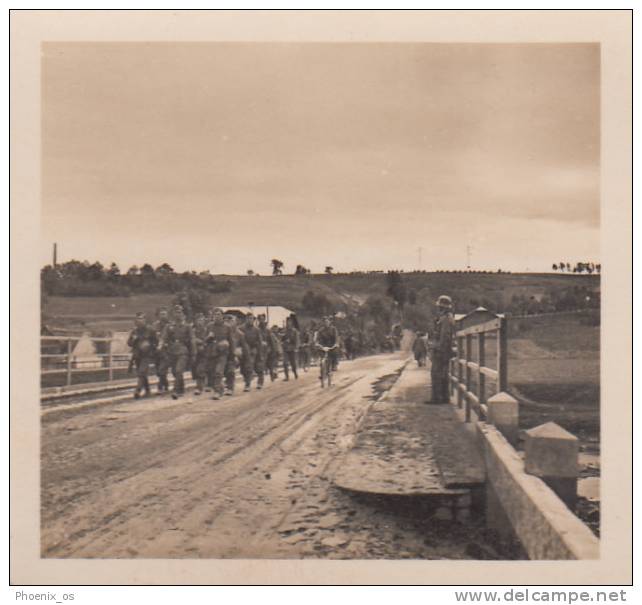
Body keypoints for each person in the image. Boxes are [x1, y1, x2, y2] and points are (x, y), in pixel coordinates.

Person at [160, 306, 194, 400]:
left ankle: (176, 391)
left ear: (182, 314)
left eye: (179, 312)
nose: (177, 314)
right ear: (173, 314)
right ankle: (181, 388)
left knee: (179, 370)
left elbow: (192, 340)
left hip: (183, 350)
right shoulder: (169, 326)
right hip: (172, 351)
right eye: (176, 312)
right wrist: (161, 344)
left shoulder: (187, 326)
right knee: (175, 372)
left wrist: (193, 353)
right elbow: (163, 337)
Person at [429, 295, 455, 404]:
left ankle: (437, 398)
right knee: (442, 374)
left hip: (441, 350)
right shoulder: (446, 318)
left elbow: (445, 336)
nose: (438, 308)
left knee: (436, 373)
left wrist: (436, 348)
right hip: (443, 350)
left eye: (440, 307)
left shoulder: (446, 319)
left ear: (443, 307)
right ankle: (444, 398)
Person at [127, 312, 158, 399]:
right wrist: (134, 339)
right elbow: (129, 343)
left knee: (142, 372)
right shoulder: (134, 331)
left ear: (145, 320)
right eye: (138, 319)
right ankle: (148, 391)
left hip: (147, 355)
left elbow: (156, 342)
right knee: (142, 374)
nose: (139, 321)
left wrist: (149, 345)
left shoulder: (151, 330)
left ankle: (138, 391)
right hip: (137, 355)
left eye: (141, 319)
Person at [205, 308, 233, 400]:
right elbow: (204, 340)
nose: (217, 316)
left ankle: (217, 392)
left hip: (223, 353)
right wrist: (209, 337)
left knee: (218, 371)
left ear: (222, 316)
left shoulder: (227, 327)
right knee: (212, 372)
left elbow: (231, 341)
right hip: (212, 352)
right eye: (215, 315)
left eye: (219, 315)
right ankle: (220, 388)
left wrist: (232, 355)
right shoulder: (209, 326)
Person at [240, 313, 265, 391]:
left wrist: (260, 353)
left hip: (254, 349)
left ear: (253, 320)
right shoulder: (241, 328)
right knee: (243, 368)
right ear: (245, 319)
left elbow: (260, 341)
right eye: (248, 318)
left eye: (251, 319)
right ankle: (247, 380)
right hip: (244, 349)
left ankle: (254, 384)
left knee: (256, 367)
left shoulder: (256, 330)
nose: (250, 320)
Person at [224, 314, 246, 396]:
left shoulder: (240, 334)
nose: (229, 322)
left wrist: (238, 354)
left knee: (230, 370)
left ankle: (230, 388)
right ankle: (226, 383)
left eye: (231, 320)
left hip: (233, 355)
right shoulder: (224, 331)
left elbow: (244, 347)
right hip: (223, 354)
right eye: (227, 320)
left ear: (236, 322)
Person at [153, 307, 171, 393]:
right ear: (158, 315)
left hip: (167, 351)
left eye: (164, 314)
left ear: (167, 315)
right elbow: (152, 336)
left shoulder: (171, 325)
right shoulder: (155, 325)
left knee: (162, 369)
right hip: (157, 351)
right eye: (161, 314)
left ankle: (160, 387)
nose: (162, 316)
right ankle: (166, 384)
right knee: (158, 371)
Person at [191, 313, 209, 395]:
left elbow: (210, 339)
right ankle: (205, 383)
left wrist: (202, 342)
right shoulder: (193, 330)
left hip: (205, 353)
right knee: (196, 369)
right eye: (198, 320)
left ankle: (199, 388)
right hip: (195, 352)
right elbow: (192, 339)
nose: (200, 322)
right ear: (195, 321)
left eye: (202, 320)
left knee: (200, 369)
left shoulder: (207, 330)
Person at [282, 316, 300, 381]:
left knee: (293, 364)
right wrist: (283, 341)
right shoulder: (284, 330)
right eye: (287, 321)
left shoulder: (294, 331)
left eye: (289, 321)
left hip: (292, 349)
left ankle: (295, 372)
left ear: (291, 322)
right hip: (286, 349)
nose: (288, 323)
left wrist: (296, 348)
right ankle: (287, 376)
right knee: (285, 363)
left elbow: (297, 340)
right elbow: (281, 339)